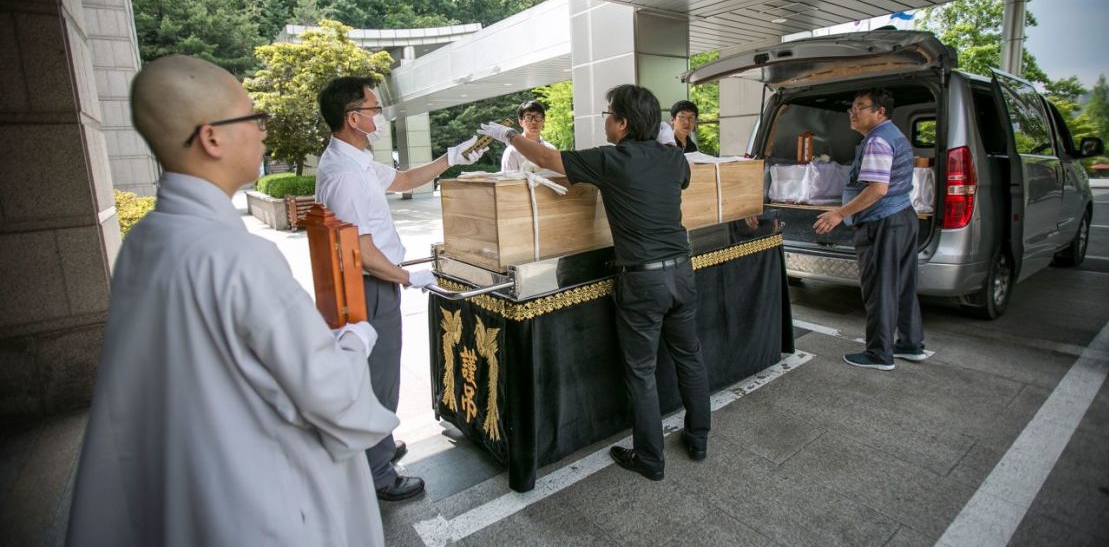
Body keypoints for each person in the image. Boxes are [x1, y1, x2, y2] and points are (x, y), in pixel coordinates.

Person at [67, 55, 399, 546]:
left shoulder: (144, 242)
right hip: (255, 499)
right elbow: (333, 397)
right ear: (212, 137)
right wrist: (355, 337)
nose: (262, 131)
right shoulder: (241, 257)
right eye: (251, 117)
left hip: (191, 483)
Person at [478, 85, 711, 481]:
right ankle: (699, 438)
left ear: (621, 122)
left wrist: (508, 135)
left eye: (607, 113)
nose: (604, 119)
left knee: (641, 372)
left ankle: (651, 459)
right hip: (682, 273)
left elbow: (550, 159)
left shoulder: (612, 158)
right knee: (689, 356)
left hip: (642, 281)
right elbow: (682, 176)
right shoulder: (674, 160)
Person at [315, 76, 487, 501]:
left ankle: (381, 445)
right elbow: (362, 252)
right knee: (379, 380)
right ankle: (378, 474)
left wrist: (453, 155)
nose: (379, 115)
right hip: (369, 286)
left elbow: (407, 180)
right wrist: (412, 277)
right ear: (353, 118)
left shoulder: (356, 161)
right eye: (373, 109)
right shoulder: (345, 176)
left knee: (377, 375)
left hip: (375, 280)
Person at [813, 88, 927, 370]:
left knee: (880, 289)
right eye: (852, 107)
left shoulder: (877, 141)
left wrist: (840, 213)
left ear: (880, 112)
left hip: (883, 222)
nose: (853, 112)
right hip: (902, 217)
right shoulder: (893, 135)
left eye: (861, 107)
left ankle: (879, 354)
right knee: (902, 285)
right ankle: (910, 345)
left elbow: (877, 190)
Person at [500, 100, 556, 171]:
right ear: (520, 122)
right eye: (528, 118)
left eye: (538, 117)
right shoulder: (512, 152)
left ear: (543, 120)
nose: (533, 122)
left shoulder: (551, 150)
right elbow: (508, 181)